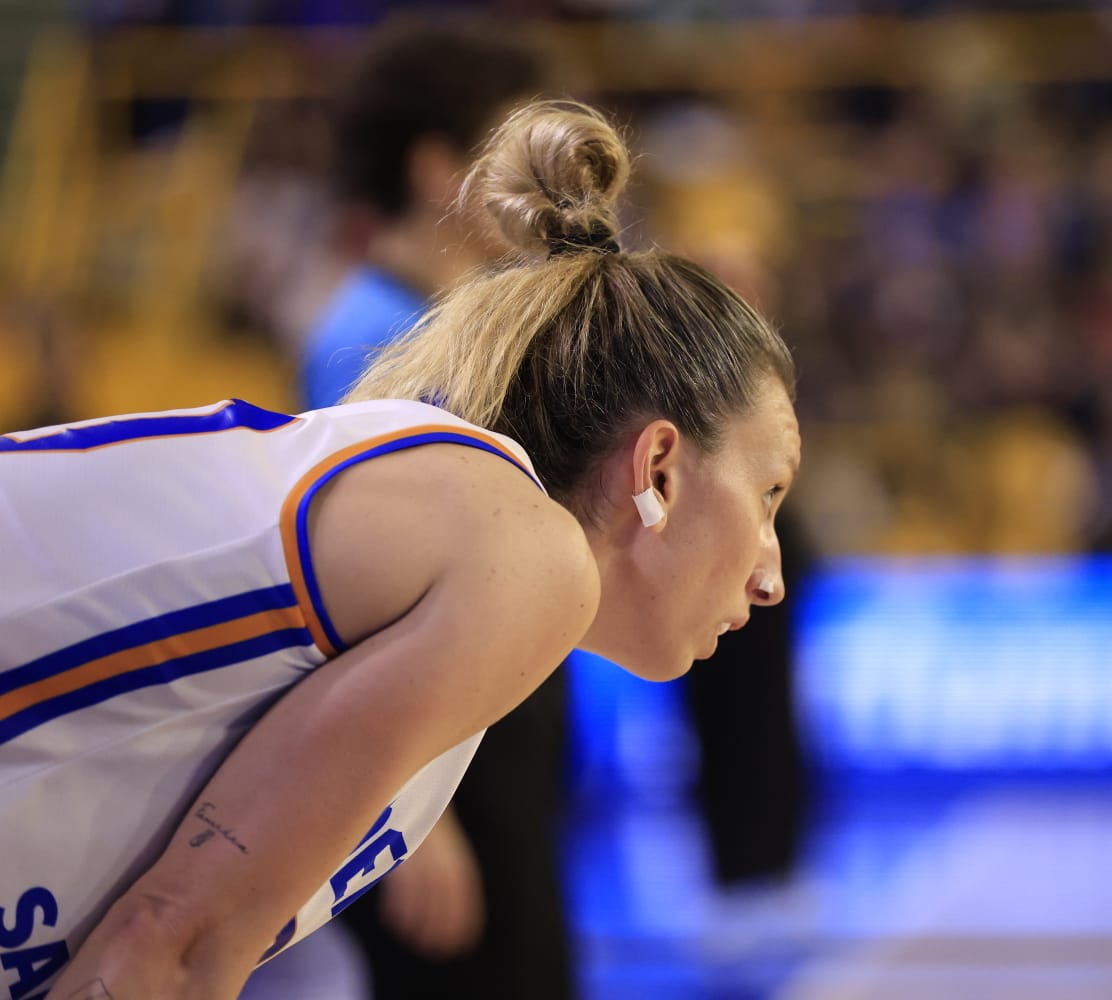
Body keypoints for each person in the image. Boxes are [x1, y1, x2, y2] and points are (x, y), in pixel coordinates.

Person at [0, 99, 800, 1000]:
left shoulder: (464, 588)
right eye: (769, 492)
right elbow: (166, 948)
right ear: (657, 465)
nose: (772, 573)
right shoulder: (527, 557)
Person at [290, 21, 578, 1000]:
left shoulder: (477, 323)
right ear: (435, 169)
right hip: (439, 769)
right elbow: (350, 606)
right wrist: (411, 818)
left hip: (497, 729)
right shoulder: (367, 341)